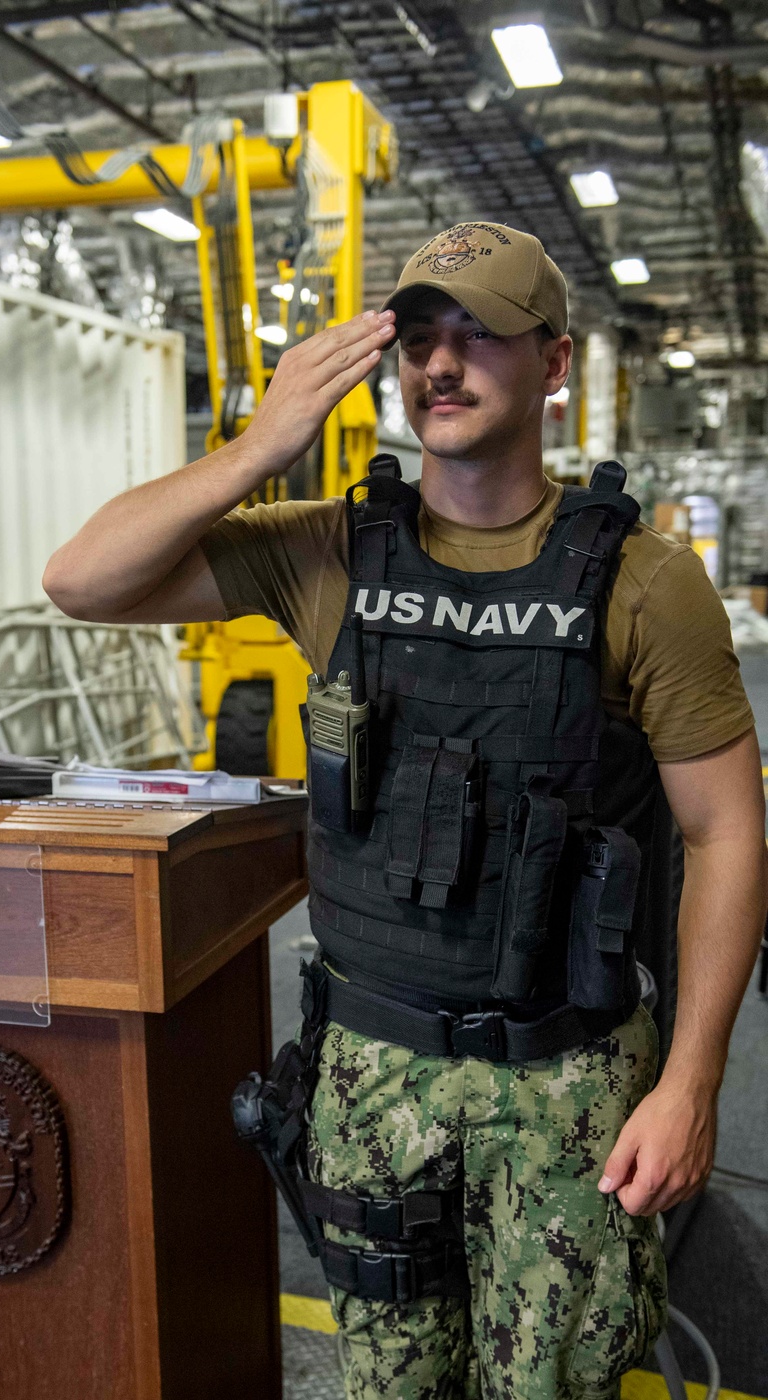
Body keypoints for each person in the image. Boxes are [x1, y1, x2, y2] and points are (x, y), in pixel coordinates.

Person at [43, 221, 767, 1399]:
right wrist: (261, 443)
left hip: (569, 1088)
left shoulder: (643, 581)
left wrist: (691, 1084)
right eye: (420, 337)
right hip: (372, 1083)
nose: (442, 361)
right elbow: (81, 578)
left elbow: (725, 831)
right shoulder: (333, 551)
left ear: (557, 361)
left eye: (479, 334)